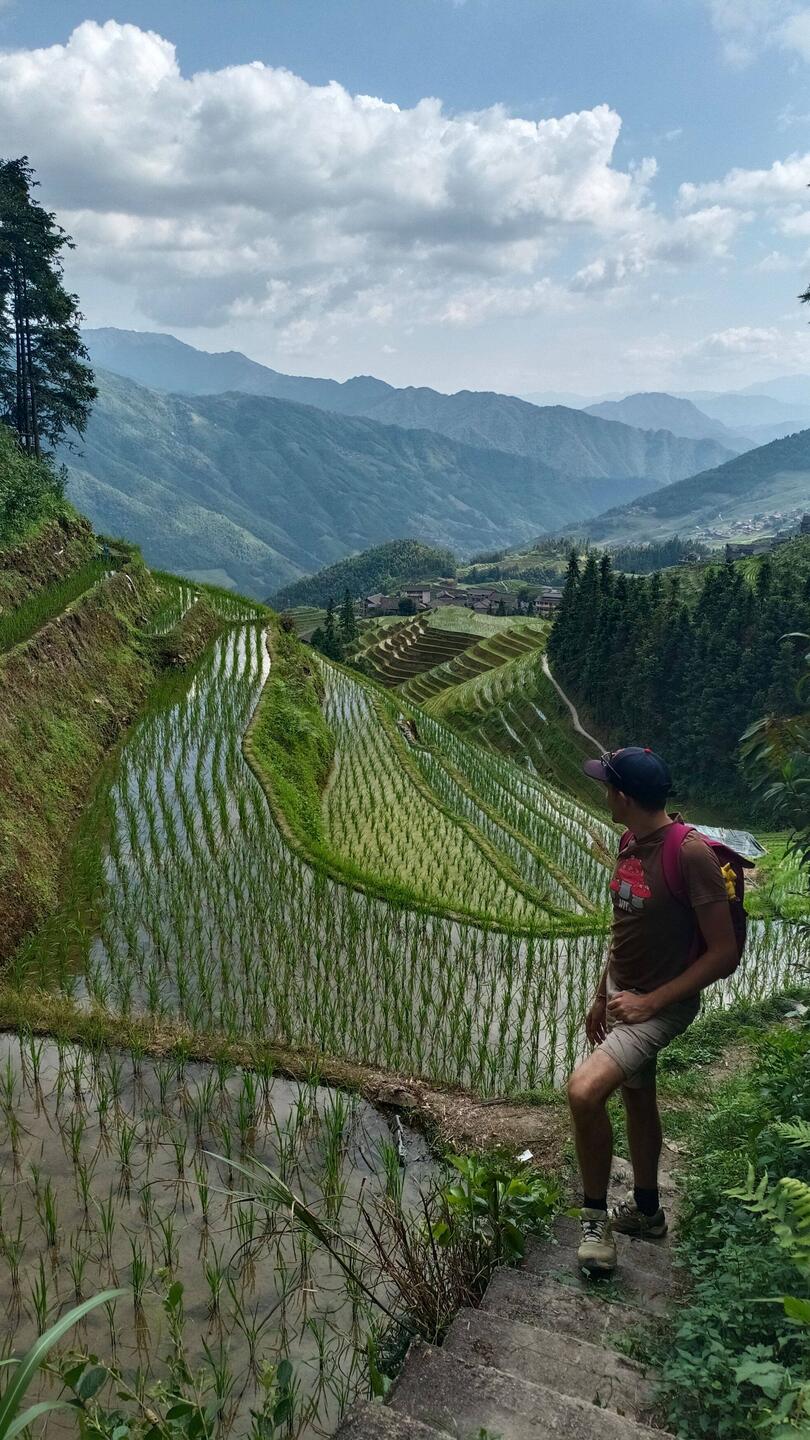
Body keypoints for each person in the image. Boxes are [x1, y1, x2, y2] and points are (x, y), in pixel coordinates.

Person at [571, 747, 738, 1275]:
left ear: (622, 797)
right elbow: (626, 929)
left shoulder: (688, 855)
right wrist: (604, 992)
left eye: (607, 787)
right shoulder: (630, 841)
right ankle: (647, 1211)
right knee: (638, 1095)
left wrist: (648, 1003)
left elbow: (724, 954)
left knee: (583, 1091)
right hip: (626, 994)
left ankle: (594, 1222)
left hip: (659, 1003)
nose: (604, 794)